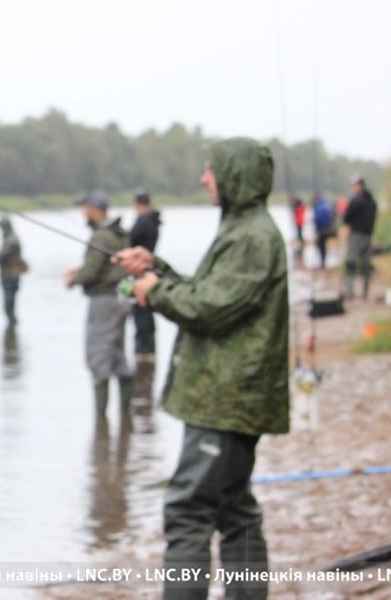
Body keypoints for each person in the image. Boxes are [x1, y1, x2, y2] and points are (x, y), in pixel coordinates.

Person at [114, 137, 289, 599]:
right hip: (229, 396)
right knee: (234, 508)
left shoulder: (252, 236)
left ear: (234, 175)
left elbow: (209, 309)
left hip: (226, 398)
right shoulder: (243, 230)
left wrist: (154, 291)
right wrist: (157, 268)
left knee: (188, 508)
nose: (204, 178)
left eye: (211, 169)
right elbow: (214, 293)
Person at [64, 190, 133, 416]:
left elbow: (92, 271)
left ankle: (100, 420)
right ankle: (125, 417)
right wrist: (79, 270)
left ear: (94, 209)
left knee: (98, 355)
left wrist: (73, 280)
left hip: (104, 301)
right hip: (122, 299)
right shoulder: (120, 233)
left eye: (85, 207)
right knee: (117, 354)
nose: (83, 212)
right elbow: (110, 267)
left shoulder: (101, 236)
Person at [129, 188, 161, 360]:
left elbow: (129, 240)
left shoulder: (143, 221)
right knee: (145, 310)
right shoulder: (154, 219)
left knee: (141, 310)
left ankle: (144, 351)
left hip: (140, 271)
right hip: (149, 269)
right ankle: (148, 350)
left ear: (137, 204)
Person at [342, 173, 378, 300]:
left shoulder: (356, 200)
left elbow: (346, 218)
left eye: (354, 185)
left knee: (350, 262)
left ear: (359, 185)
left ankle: (350, 291)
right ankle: (365, 292)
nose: (353, 188)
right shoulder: (372, 201)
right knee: (365, 264)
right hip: (368, 236)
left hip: (356, 236)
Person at [311, 192, 335, 270]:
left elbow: (319, 219)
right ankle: (322, 263)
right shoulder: (325, 205)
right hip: (326, 228)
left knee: (321, 246)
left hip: (322, 230)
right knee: (322, 246)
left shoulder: (320, 207)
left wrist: (315, 222)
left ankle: (322, 263)